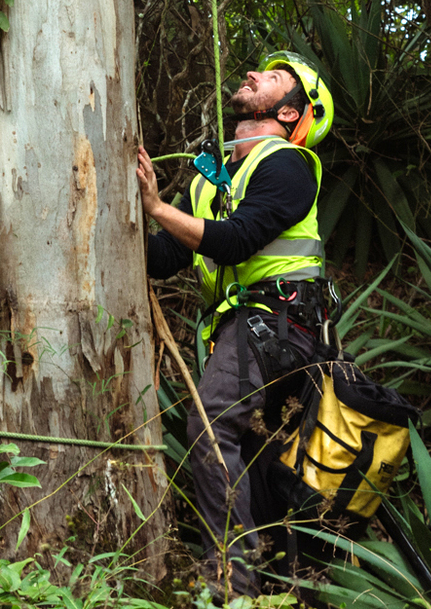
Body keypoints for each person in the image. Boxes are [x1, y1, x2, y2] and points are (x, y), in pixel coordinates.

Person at [136, 51, 336, 599]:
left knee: (209, 425)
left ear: (294, 113)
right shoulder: (213, 177)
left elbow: (235, 240)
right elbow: (163, 258)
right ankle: (281, 584)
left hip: (280, 323)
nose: (252, 75)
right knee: (257, 458)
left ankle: (231, 586)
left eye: (271, 79)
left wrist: (155, 207)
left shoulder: (288, 167)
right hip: (246, 329)